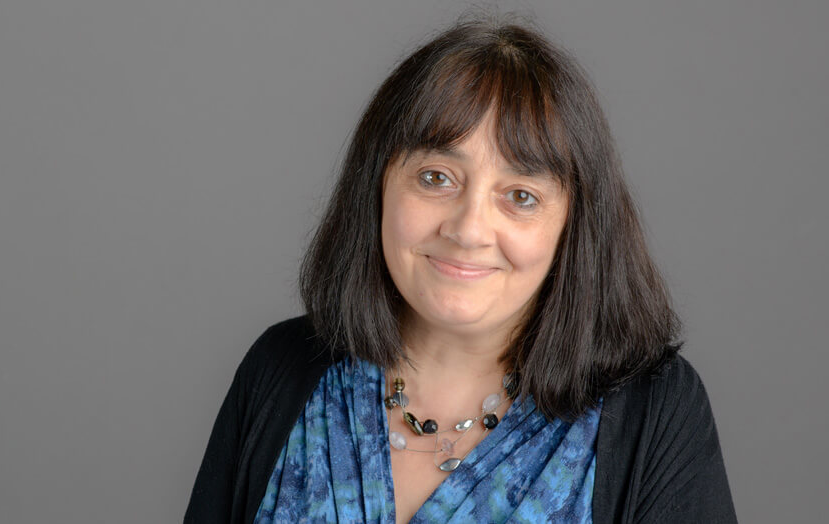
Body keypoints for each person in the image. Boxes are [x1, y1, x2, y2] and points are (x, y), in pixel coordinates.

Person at [184, 16, 737, 524]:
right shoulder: (281, 369)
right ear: (377, 185)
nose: (468, 230)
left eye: (520, 195)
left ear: (574, 226)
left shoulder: (654, 412)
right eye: (435, 178)